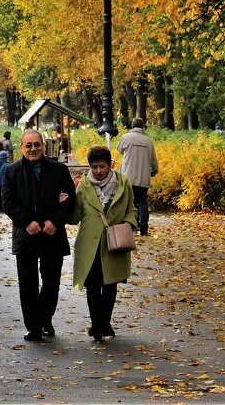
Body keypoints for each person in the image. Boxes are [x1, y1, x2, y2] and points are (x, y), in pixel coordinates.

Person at [1, 128, 76, 342]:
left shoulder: (58, 169)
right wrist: (27, 222)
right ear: (22, 148)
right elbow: (8, 202)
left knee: (51, 282)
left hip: (52, 234)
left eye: (37, 144)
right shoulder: (12, 171)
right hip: (26, 236)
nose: (33, 149)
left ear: (43, 145)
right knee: (28, 283)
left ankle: (45, 318)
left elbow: (70, 200)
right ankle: (34, 326)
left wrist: (55, 221)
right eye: (29, 145)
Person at [71, 146, 137, 342]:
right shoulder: (83, 186)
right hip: (89, 244)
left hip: (113, 242)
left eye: (102, 166)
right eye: (94, 167)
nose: (98, 171)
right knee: (92, 284)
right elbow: (76, 215)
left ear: (111, 165)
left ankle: (104, 322)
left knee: (110, 284)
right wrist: (64, 203)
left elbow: (131, 209)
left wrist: (129, 224)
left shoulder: (123, 183)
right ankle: (98, 325)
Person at [117, 118, 158, 236]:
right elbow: (153, 160)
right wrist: (154, 170)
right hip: (143, 177)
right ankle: (144, 229)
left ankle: (131, 226)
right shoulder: (148, 141)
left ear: (132, 125)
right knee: (143, 202)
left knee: (130, 202)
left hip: (128, 176)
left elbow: (119, 150)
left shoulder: (126, 138)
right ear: (143, 126)